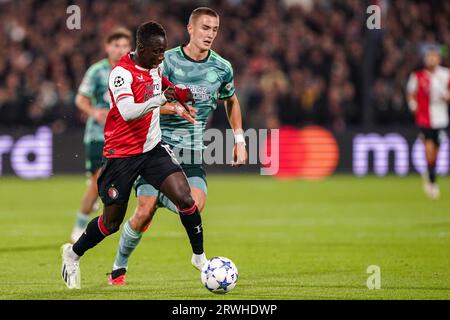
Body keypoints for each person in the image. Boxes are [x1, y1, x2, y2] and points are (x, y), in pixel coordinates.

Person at [107, 7, 248, 285]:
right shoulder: (164, 61)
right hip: (158, 148)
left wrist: (239, 140)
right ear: (190, 29)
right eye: (205, 28)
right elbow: (145, 104)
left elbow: (230, 99)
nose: (210, 34)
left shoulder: (222, 67)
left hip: (192, 152)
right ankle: (118, 268)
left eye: (215, 29)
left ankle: (165, 197)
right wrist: (173, 108)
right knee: (143, 210)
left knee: (196, 204)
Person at [61, 21, 203, 289]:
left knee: (186, 198)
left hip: (151, 149)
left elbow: (166, 85)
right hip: (121, 155)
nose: (161, 57)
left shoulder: (154, 65)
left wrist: (187, 96)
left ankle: (200, 259)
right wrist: (162, 100)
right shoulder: (120, 74)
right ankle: (73, 253)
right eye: (157, 52)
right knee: (111, 222)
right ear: (141, 48)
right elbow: (128, 111)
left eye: (163, 51)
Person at [70, 27, 133, 243]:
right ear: (107, 47)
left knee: (109, 183)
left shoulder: (133, 70)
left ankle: (109, 219)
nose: (120, 50)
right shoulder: (97, 71)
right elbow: (80, 99)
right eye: (116, 45)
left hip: (125, 136)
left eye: (124, 46)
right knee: (97, 181)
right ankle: (79, 225)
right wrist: (94, 112)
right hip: (99, 135)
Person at [406, 45, 450, 200]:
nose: (432, 59)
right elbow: (411, 94)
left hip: (441, 119)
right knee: (429, 150)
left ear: (438, 58)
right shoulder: (417, 76)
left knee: (436, 153)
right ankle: (432, 182)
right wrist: (412, 104)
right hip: (424, 119)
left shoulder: (446, 74)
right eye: (429, 56)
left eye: (434, 56)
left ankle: (430, 174)